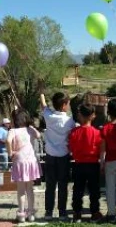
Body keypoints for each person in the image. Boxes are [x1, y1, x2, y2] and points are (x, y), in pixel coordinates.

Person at [40, 92, 76, 221]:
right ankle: (62, 212)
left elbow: (43, 105)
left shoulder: (48, 116)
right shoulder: (69, 121)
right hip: (63, 156)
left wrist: (42, 94)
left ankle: (48, 212)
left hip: (49, 155)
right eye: (68, 103)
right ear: (64, 105)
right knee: (62, 185)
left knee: (50, 185)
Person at [69, 103, 103, 223]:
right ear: (93, 116)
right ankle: (94, 212)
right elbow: (100, 149)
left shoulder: (73, 132)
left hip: (78, 164)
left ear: (80, 115)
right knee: (94, 190)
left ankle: (77, 212)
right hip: (93, 164)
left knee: (77, 189)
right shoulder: (97, 133)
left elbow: (71, 148)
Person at [7, 109, 42, 223]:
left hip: (19, 161)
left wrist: (10, 153)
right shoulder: (29, 130)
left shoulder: (12, 131)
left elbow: (8, 141)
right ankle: (31, 214)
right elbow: (38, 135)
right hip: (31, 161)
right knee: (30, 189)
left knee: (21, 190)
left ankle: (21, 214)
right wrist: (32, 127)